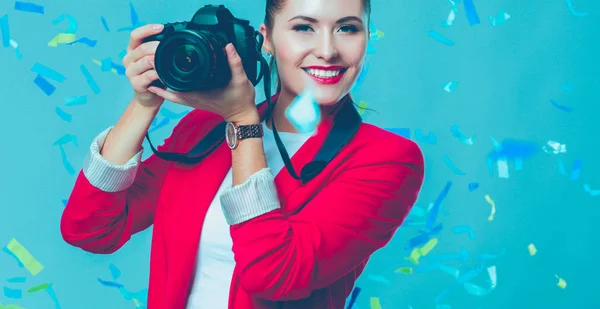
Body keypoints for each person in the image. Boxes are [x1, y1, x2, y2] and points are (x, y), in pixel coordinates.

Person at [60, 0, 425, 308]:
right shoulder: (203, 129)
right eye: (304, 28)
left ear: (366, 36)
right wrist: (143, 103)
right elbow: (90, 230)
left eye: (347, 28)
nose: (327, 50)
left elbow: (275, 275)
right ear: (266, 40)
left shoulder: (388, 160)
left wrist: (242, 121)